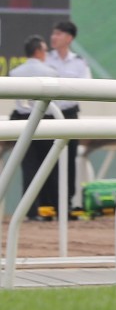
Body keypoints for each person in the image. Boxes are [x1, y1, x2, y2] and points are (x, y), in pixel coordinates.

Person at [9, 35, 59, 221]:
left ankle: (30, 210)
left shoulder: (15, 73)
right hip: (45, 119)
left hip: (23, 120)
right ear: (38, 51)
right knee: (49, 166)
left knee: (28, 167)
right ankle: (51, 207)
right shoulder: (51, 72)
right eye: (45, 50)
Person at [45, 21, 92, 217]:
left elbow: (87, 86)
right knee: (48, 159)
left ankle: (67, 202)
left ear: (69, 38)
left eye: (58, 34)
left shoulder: (79, 63)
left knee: (70, 158)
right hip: (48, 116)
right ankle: (48, 203)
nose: (53, 37)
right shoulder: (45, 60)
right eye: (53, 33)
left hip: (70, 114)